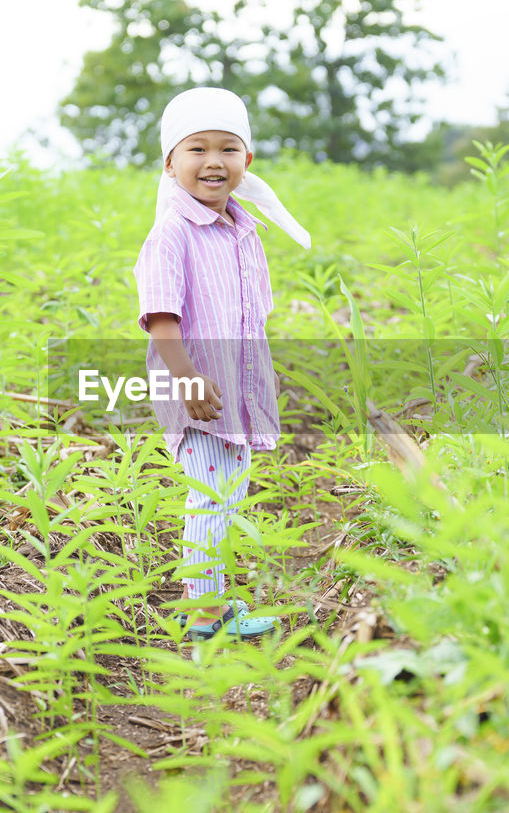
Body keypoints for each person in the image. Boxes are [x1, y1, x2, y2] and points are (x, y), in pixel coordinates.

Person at [133, 86, 311, 642]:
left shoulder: (241, 229)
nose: (214, 162)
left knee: (227, 494)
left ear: (246, 161)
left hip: (234, 386)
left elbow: (248, 316)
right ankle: (202, 617)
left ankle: (210, 601)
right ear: (170, 162)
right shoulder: (172, 232)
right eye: (197, 149)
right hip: (199, 390)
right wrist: (185, 376)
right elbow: (161, 317)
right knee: (209, 498)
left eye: (228, 149)